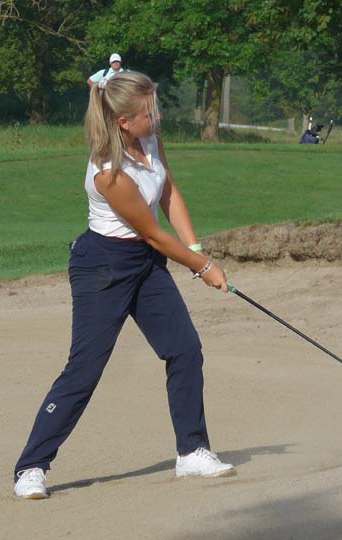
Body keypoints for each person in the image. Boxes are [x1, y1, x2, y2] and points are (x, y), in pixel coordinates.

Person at [13, 71, 234, 500]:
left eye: (156, 105)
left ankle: (192, 451)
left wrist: (196, 245)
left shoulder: (150, 138)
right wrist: (202, 266)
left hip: (145, 263)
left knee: (184, 349)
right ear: (123, 123)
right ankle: (31, 467)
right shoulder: (108, 173)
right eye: (150, 111)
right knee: (85, 370)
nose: (159, 115)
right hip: (103, 266)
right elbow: (153, 233)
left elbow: (169, 191)